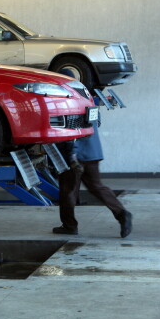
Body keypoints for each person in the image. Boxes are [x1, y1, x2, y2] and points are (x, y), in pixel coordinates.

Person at [53, 71, 132, 238]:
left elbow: (72, 131)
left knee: (68, 190)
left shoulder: (66, 99)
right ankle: (122, 214)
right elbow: (97, 122)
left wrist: (73, 156)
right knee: (97, 186)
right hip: (93, 151)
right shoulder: (86, 95)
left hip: (74, 155)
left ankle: (69, 225)